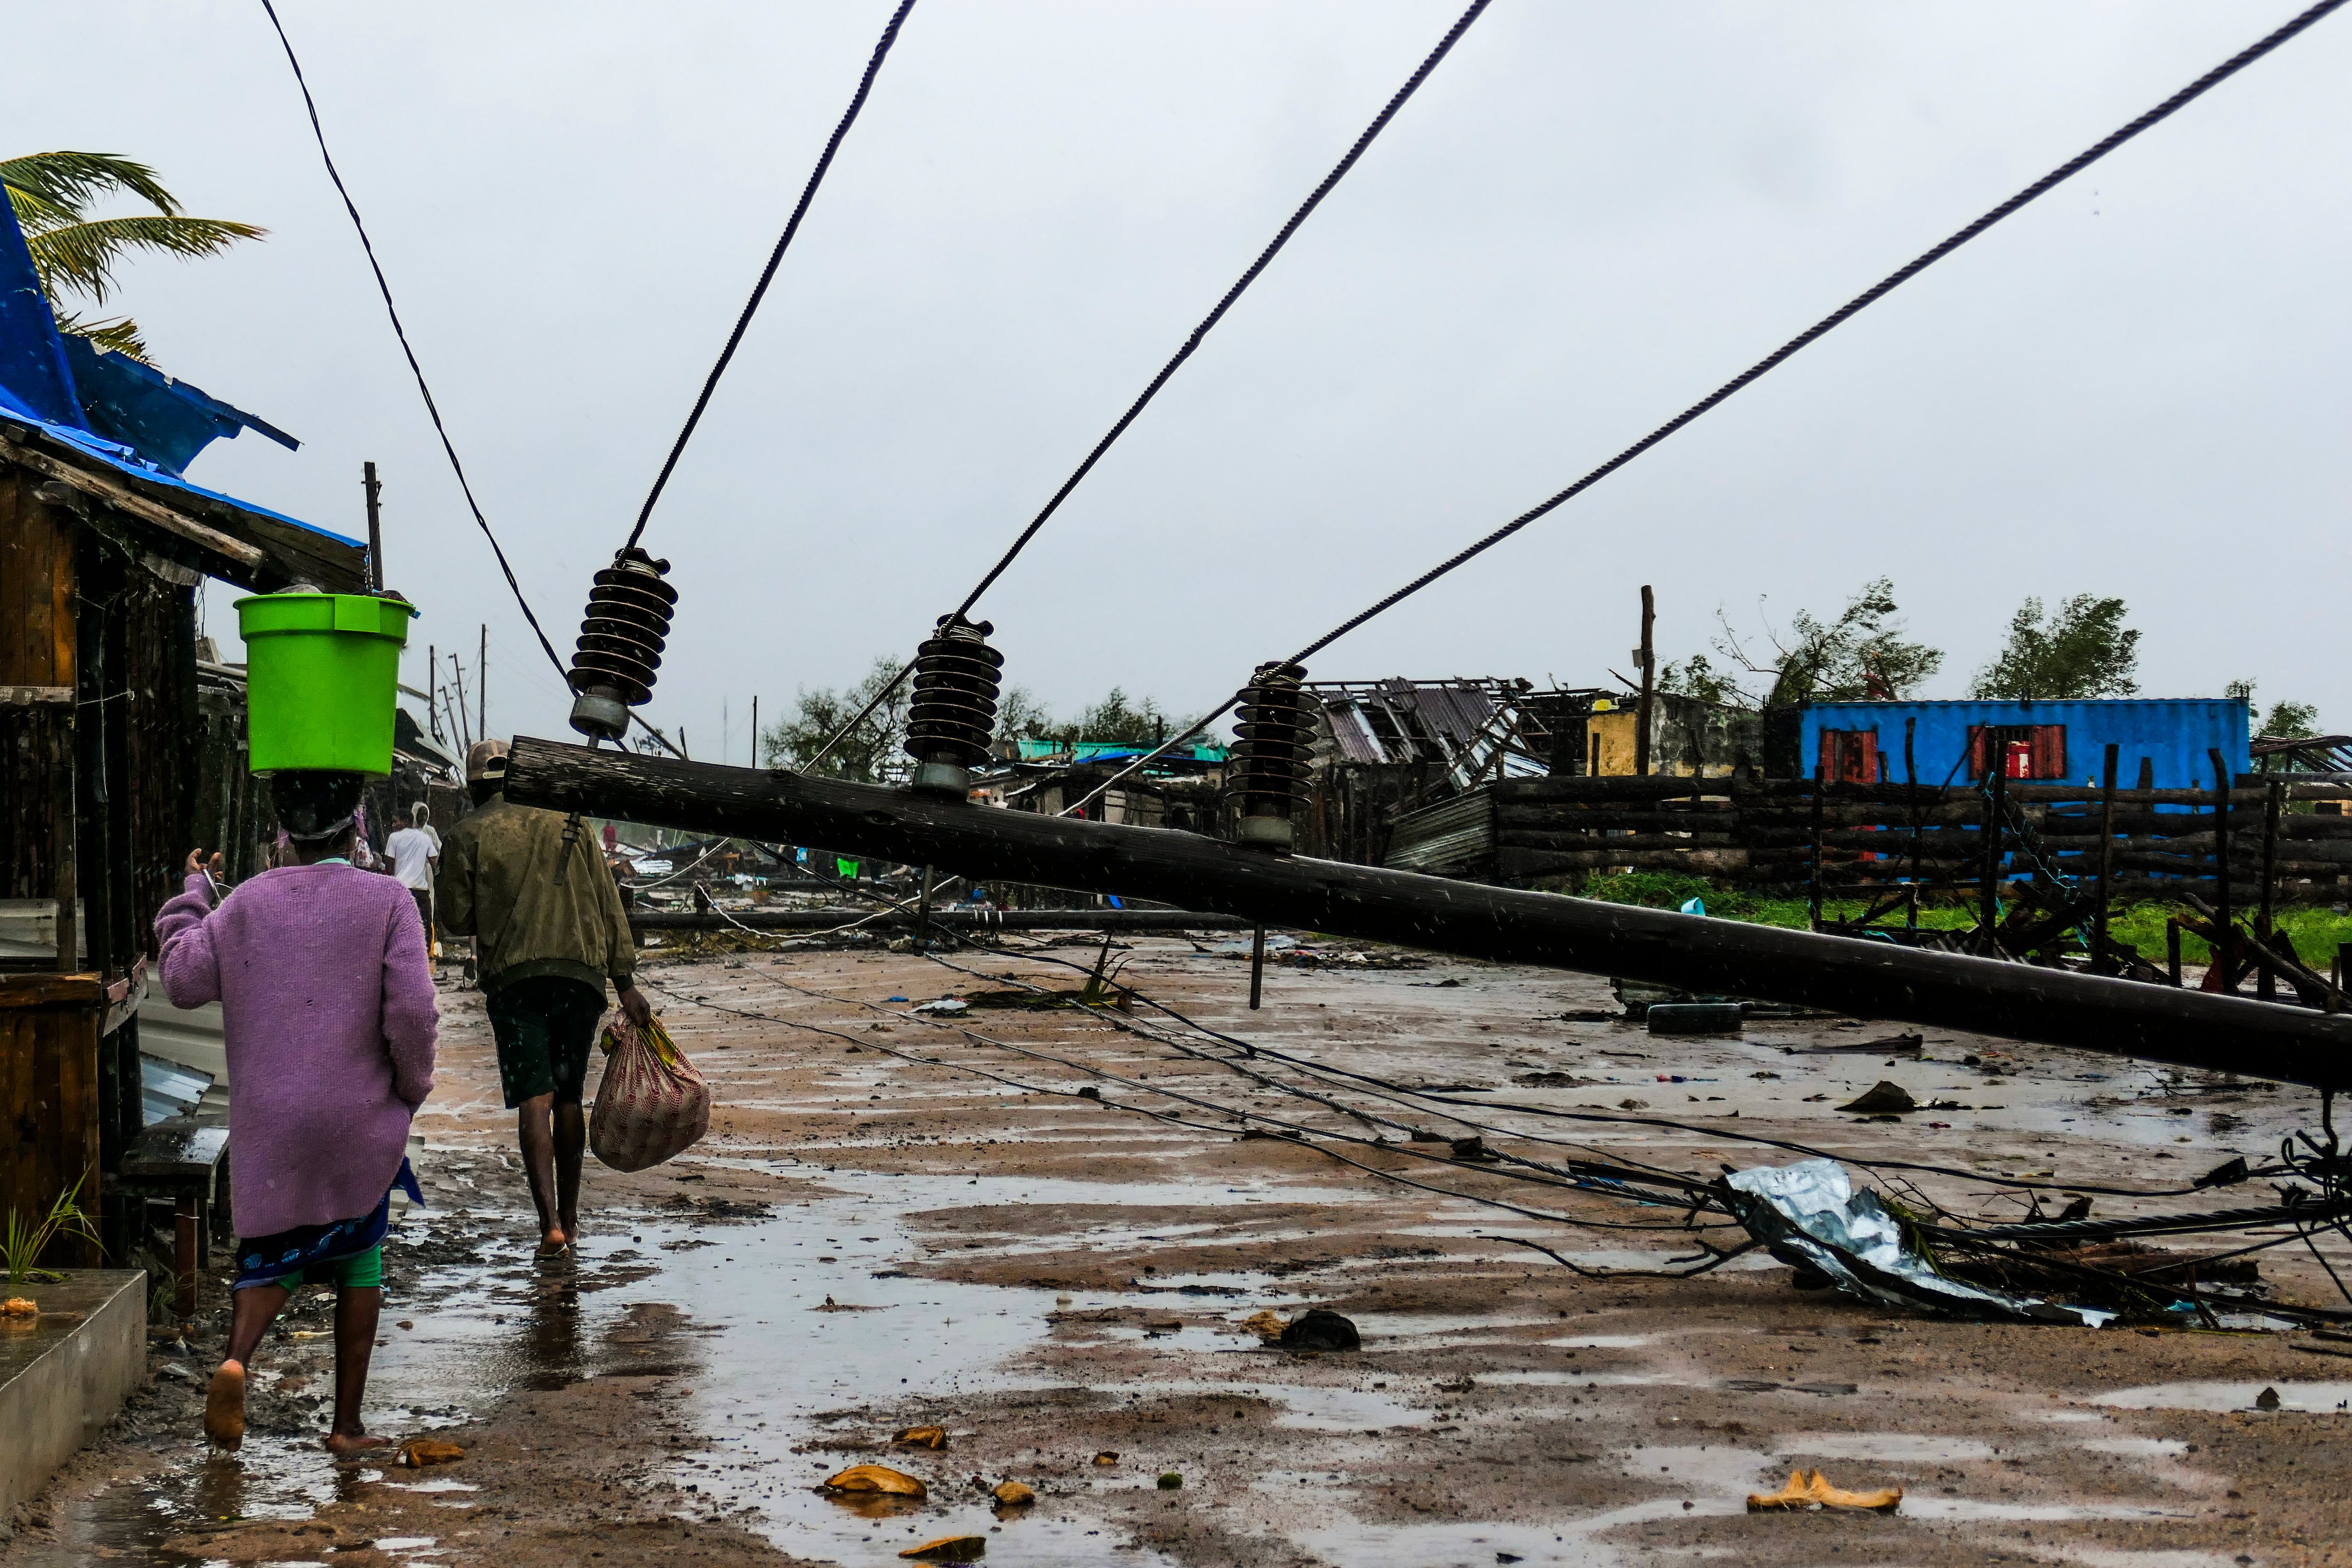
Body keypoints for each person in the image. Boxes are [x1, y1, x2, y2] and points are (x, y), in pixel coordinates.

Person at [156, 770, 437, 1454]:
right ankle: (346, 1426)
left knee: (270, 1260)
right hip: (358, 1121)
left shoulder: (244, 904)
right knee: (361, 1254)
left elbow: (182, 978)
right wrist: (410, 1088)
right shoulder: (389, 901)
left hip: (269, 1127)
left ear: (284, 833)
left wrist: (193, 898)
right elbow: (412, 1014)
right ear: (356, 827)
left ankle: (235, 1360)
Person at [438, 739, 652, 1257]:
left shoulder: (467, 833)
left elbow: (455, 919)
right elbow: (608, 904)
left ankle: (550, 1226)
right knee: (567, 1095)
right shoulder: (570, 823)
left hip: (516, 983)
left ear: (473, 787)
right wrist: (625, 982)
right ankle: (574, 1219)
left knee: (534, 1100)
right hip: (581, 978)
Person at [385, 802, 442, 952]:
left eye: (396, 821)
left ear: (405, 822)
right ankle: (424, 959)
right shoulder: (425, 838)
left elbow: (389, 867)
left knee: (401, 929)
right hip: (422, 891)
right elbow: (435, 862)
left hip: (402, 891)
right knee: (424, 927)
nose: (393, 825)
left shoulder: (394, 838)